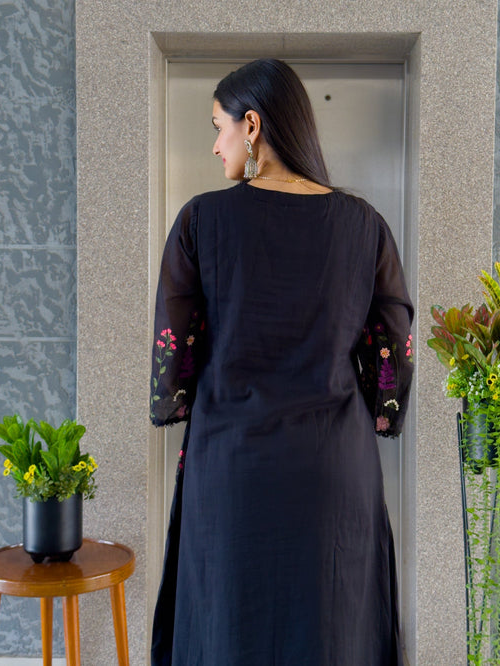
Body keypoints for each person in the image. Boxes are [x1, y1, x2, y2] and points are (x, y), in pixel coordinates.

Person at [150, 58, 414, 666]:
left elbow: (175, 344)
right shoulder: (365, 226)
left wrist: (174, 400)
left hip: (232, 466)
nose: (215, 146)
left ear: (251, 125)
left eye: (217, 128)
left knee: (228, 631)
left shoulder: (201, 220)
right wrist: (381, 411)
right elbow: (392, 356)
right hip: (332, 470)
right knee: (333, 632)